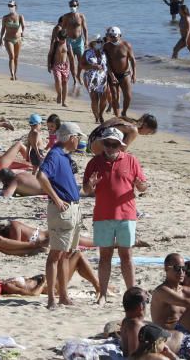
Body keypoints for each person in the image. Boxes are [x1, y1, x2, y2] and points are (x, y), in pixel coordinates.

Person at [83, 127, 147, 304]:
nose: (109, 147)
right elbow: (86, 190)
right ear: (102, 144)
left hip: (126, 215)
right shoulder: (94, 162)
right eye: (106, 143)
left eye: (113, 144)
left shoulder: (131, 161)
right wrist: (90, 185)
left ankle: (132, 296)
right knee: (105, 257)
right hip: (103, 216)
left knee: (126, 256)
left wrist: (140, 185)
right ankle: (102, 294)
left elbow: (143, 187)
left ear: (120, 145)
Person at [36, 122, 82, 309]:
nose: (79, 141)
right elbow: (41, 176)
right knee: (56, 254)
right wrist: (56, 199)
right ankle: (52, 299)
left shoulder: (63, 155)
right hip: (62, 209)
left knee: (65, 254)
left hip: (71, 208)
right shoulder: (55, 154)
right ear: (72, 138)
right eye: (78, 137)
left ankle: (63, 295)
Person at [103, 26, 136, 117]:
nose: (113, 38)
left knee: (128, 96)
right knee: (114, 97)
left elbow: (132, 60)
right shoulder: (106, 46)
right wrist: (111, 75)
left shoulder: (126, 45)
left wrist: (134, 74)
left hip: (125, 74)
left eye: (115, 36)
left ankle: (124, 112)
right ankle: (117, 116)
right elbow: (106, 62)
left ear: (120, 35)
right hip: (112, 74)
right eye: (111, 36)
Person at [58, 0, 88, 84]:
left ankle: (79, 75)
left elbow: (85, 29)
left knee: (81, 60)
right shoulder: (66, 16)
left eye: (74, 5)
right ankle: (74, 78)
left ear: (77, 6)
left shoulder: (81, 16)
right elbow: (63, 29)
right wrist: (61, 41)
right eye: (71, 6)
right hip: (69, 40)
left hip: (79, 41)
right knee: (71, 59)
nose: (72, 7)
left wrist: (86, 41)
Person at [0, 0, 24, 80]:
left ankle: (15, 74)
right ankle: (12, 74)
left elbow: (23, 26)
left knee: (16, 57)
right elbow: (3, 28)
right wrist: (0, 39)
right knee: (11, 56)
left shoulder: (20, 16)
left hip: (18, 39)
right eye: (9, 6)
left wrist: (22, 32)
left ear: (15, 6)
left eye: (11, 6)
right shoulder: (5, 17)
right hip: (8, 39)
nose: (10, 7)